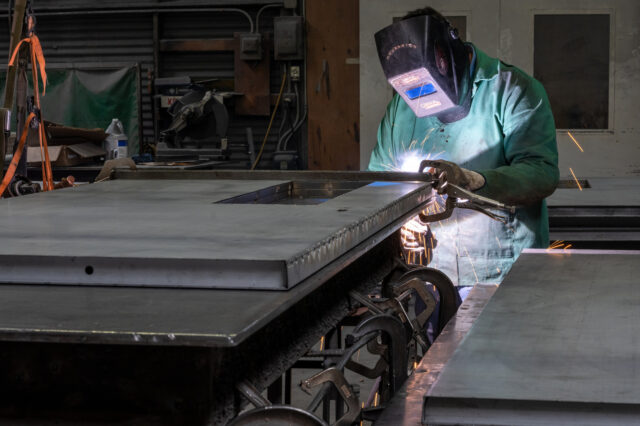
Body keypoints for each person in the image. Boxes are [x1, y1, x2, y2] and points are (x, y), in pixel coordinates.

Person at [368, 7, 559, 294]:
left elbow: (541, 173)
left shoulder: (513, 89)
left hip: (500, 271)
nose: (423, 98)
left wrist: (472, 181)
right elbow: (380, 178)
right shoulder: (400, 108)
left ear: (449, 51)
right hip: (429, 272)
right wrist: (402, 220)